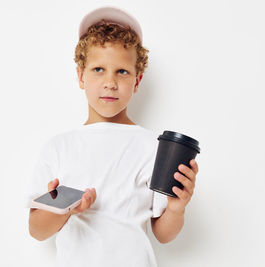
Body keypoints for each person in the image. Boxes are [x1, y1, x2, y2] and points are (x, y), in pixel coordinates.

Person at [25, 6, 199, 267]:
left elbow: (163, 234)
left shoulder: (154, 147)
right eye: (98, 69)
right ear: (80, 76)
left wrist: (176, 208)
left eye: (122, 72)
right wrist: (66, 209)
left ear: (137, 82)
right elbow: (37, 230)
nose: (110, 82)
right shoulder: (59, 148)